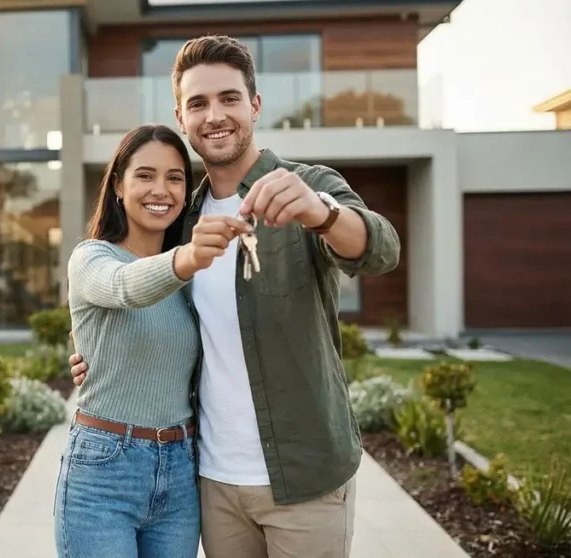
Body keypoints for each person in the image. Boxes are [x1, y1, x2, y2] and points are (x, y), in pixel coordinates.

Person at [68, 35, 402, 558]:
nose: (214, 115)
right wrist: (95, 350)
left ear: (255, 105)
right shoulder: (180, 219)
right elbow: (135, 289)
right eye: (198, 103)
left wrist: (323, 213)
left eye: (229, 98)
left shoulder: (309, 186)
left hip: (305, 476)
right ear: (181, 116)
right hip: (211, 481)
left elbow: (381, 249)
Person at [54, 123, 254, 558]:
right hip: (104, 471)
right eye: (144, 175)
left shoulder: (192, 279)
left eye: (175, 177)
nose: (160, 189)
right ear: (119, 188)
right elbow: (123, 287)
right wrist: (186, 259)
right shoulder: (92, 256)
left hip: (181, 471)